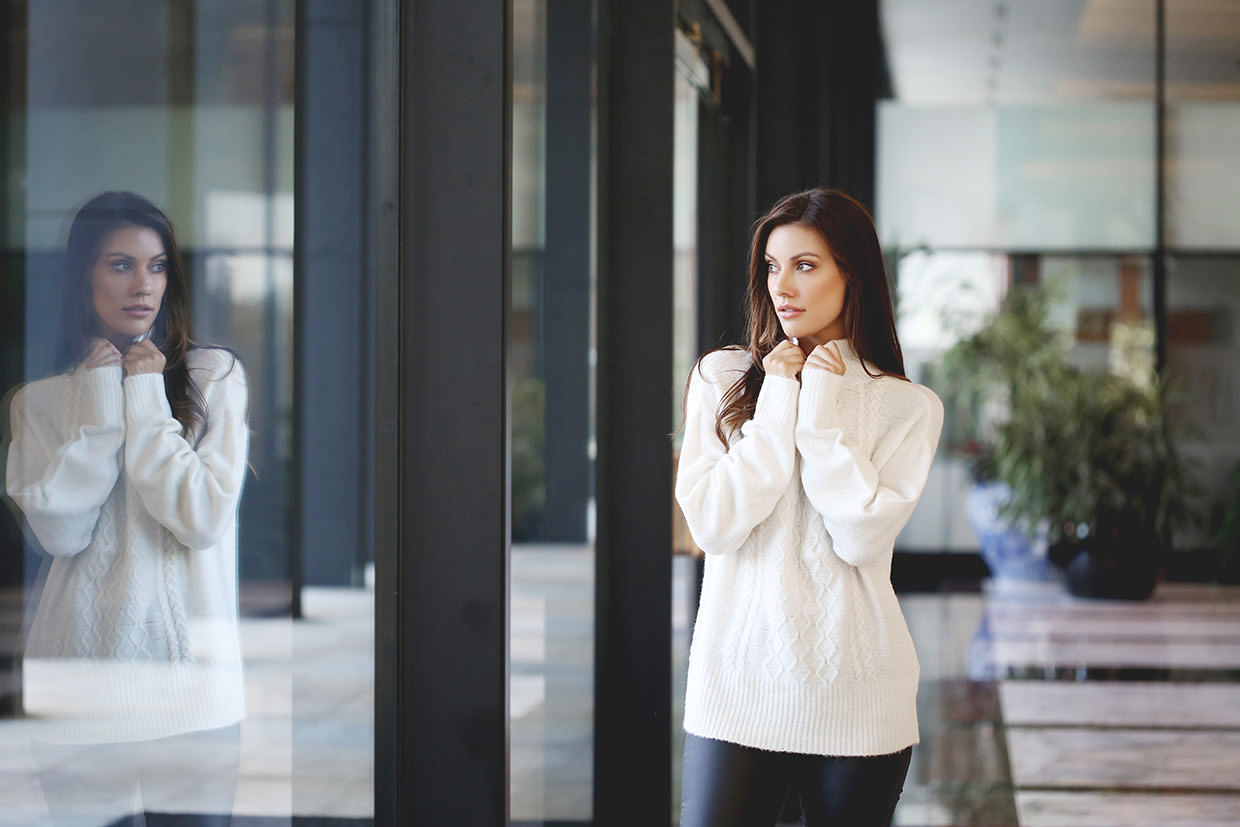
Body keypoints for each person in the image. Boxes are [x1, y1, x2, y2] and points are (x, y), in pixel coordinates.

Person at [675, 188, 943, 827]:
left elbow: (859, 536)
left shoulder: (909, 406)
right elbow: (714, 523)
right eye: (771, 265)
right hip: (736, 691)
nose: (781, 285)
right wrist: (779, 399)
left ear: (853, 273)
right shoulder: (724, 378)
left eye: (805, 264)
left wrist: (820, 409)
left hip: (858, 696)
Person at [4, 191, 249, 826]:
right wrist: (100, 408)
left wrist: (144, 395)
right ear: (83, 274)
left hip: (194, 694)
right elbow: (59, 531)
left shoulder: (213, 378)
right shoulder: (38, 402)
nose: (144, 284)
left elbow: (201, 519)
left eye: (158, 265)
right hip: (74, 688)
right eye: (120, 264)